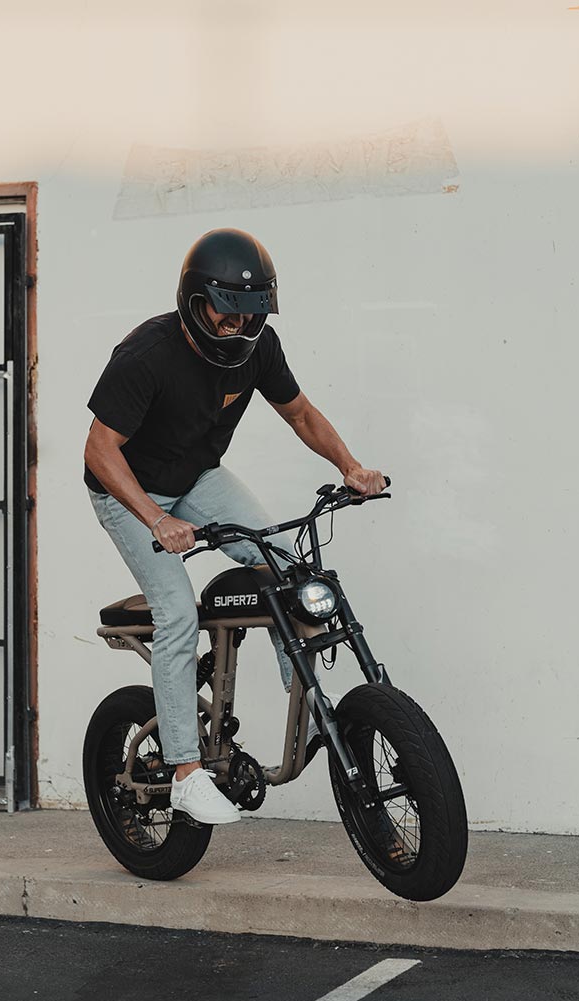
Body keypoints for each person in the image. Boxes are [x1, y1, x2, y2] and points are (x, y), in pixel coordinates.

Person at [84, 227, 385, 825]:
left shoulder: (260, 348)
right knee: (178, 611)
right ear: (196, 302)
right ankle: (185, 773)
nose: (237, 327)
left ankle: (301, 691)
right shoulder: (149, 354)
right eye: (226, 313)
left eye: (251, 316)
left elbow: (299, 412)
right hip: (131, 492)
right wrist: (157, 518)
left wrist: (350, 467)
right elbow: (99, 450)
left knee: (283, 562)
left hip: (197, 477)